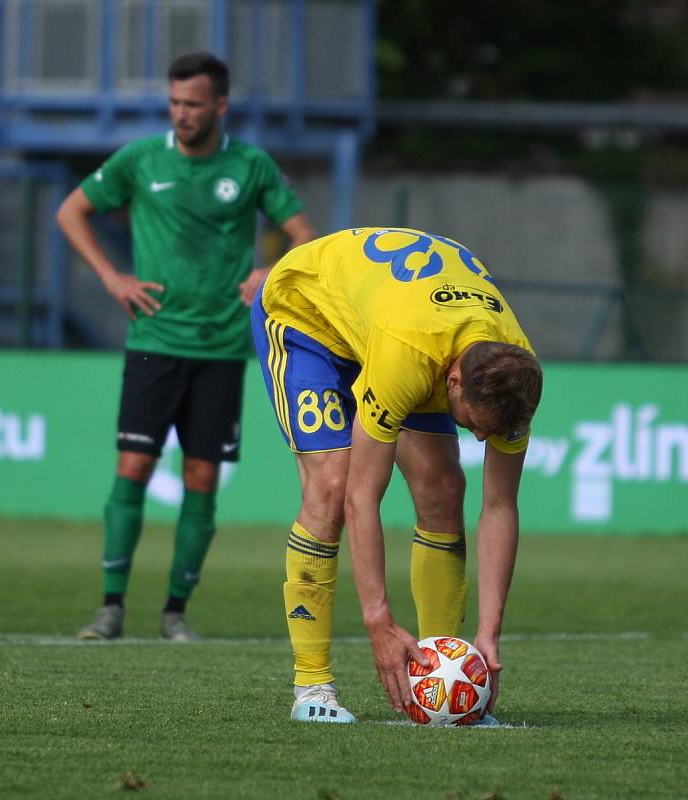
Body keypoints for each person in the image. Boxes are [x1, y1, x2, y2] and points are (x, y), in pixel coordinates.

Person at [56, 52, 316, 642]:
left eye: (193, 104)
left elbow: (304, 233)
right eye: (174, 102)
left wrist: (270, 269)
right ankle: (111, 607)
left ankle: (175, 610)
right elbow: (71, 210)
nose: (181, 114)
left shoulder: (249, 165)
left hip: (222, 348)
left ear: (220, 105)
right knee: (134, 466)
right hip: (154, 340)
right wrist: (111, 277)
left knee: (201, 476)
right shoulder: (141, 159)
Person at [251, 226, 542, 723]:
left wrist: (488, 631)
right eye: (473, 424)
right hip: (307, 315)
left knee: (445, 489)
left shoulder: (513, 371)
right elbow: (363, 498)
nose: (477, 438)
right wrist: (378, 621)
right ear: (453, 382)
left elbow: (500, 506)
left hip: (394, 318)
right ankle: (312, 686)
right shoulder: (409, 357)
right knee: (333, 485)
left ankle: (442, 679)